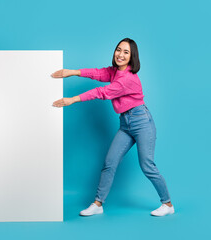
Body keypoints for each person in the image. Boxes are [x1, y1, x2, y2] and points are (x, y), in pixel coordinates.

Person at [51, 38, 174, 217]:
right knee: (109, 163)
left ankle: (168, 204)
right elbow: (99, 73)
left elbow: (103, 92)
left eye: (126, 52)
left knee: (147, 165)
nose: (120, 55)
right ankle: (98, 204)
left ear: (132, 57)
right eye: (118, 50)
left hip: (141, 122)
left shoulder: (127, 79)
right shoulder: (116, 72)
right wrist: (72, 72)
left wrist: (72, 99)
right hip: (125, 123)